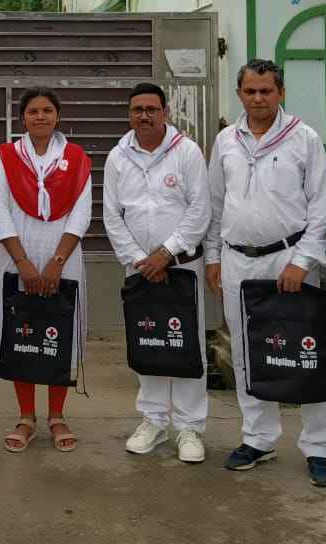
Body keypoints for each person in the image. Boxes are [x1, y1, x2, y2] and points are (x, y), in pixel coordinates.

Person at [206, 59, 326, 486]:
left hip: (289, 259)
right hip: (237, 260)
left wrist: (303, 261)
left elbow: (321, 204)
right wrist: (213, 257)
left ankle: (319, 447)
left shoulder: (304, 138)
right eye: (250, 91)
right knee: (246, 351)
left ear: (281, 92)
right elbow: (215, 203)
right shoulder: (226, 140)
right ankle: (259, 438)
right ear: (239, 94)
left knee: (307, 350)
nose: (258, 98)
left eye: (266, 91)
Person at [102, 81, 211, 463]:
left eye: (152, 109)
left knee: (186, 344)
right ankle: (153, 421)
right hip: (139, 270)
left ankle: (190, 427)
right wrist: (140, 260)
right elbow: (112, 215)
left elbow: (200, 209)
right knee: (147, 341)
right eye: (138, 110)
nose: (144, 116)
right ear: (129, 114)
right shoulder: (118, 157)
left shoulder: (187, 151)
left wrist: (165, 254)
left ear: (165, 112)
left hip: (181, 267)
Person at [0, 87, 93, 453]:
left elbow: (82, 212)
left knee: (59, 332)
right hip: (16, 256)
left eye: (47, 110)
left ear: (57, 116)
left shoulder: (76, 158)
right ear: (23, 118)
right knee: (21, 331)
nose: (40, 117)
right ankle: (25, 417)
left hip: (63, 257)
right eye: (33, 111)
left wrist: (55, 262)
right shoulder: (6, 157)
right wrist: (23, 264)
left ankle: (57, 415)